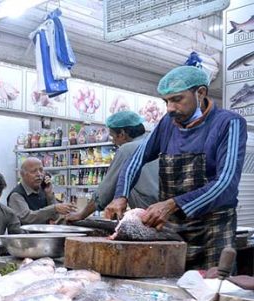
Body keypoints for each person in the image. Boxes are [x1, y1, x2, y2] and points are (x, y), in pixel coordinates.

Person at [105, 65, 248, 269]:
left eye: (177, 99)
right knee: (170, 285)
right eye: (166, 101)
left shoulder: (229, 123)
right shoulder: (167, 124)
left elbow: (226, 183)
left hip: (213, 228)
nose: (170, 108)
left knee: (214, 289)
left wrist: (171, 204)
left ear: (200, 93)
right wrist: (121, 195)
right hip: (173, 228)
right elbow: (136, 159)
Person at [67, 111, 158, 222]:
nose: (113, 142)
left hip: (151, 217)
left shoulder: (126, 149)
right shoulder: (156, 143)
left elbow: (104, 192)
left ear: (123, 134)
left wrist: (81, 215)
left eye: (113, 137)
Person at [8, 157, 75, 224]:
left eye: (41, 170)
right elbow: (27, 218)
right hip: (25, 234)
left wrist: (49, 195)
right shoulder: (16, 195)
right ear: (23, 175)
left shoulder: (43, 190)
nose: (39, 174)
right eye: (33, 171)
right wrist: (54, 208)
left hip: (44, 233)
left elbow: (55, 217)